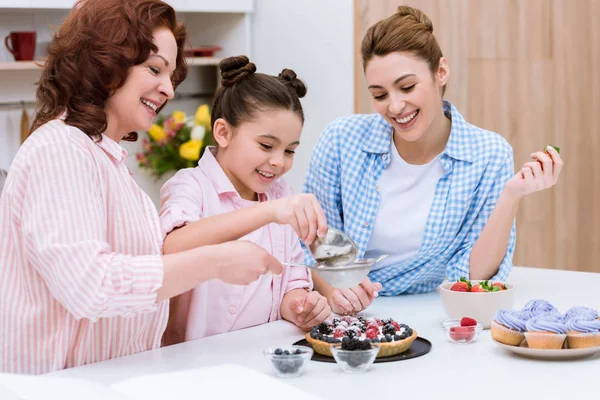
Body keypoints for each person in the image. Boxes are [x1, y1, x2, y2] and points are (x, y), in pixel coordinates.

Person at [0, 0, 281, 375]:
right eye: (154, 69)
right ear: (105, 63)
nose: (167, 89)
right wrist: (217, 261)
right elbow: (91, 285)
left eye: (171, 77)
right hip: (56, 387)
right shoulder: (60, 149)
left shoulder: (103, 157)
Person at [304, 6, 563, 314]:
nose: (396, 106)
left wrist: (512, 195)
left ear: (441, 72)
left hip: (437, 312)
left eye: (407, 87)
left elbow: (473, 276)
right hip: (347, 313)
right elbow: (311, 245)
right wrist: (335, 293)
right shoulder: (340, 140)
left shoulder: (489, 154)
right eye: (379, 94)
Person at [159, 56, 331, 344]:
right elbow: (171, 246)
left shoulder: (281, 195)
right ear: (223, 132)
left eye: (290, 151)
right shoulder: (191, 186)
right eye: (266, 145)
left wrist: (301, 307)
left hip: (258, 353)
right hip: (192, 362)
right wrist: (269, 212)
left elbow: (291, 281)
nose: (278, 162)